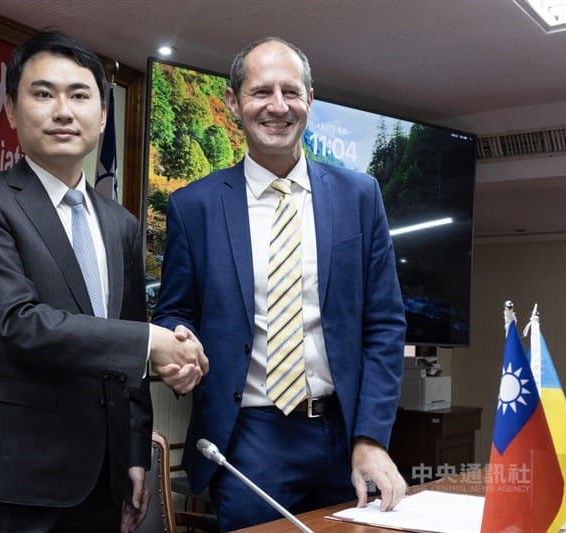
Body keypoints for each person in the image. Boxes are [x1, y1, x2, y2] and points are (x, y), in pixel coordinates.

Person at [0, 30, 206, 533]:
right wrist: (151, 342)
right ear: (11, 109)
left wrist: (135, 453)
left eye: (80, 95)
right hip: (12, 484)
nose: (63, 111)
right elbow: (18, 324)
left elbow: (127, 357)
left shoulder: (121, 224)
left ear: (103, 116)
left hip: (104, 483)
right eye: (43, 94)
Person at [152, 36, 407, 531]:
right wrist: (178, 349)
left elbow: (385, 323)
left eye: (291, 92)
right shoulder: (194, 206)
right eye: (261, 92)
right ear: (233, 102)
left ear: (310, 100)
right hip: (250, 438)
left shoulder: (360, 197)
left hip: (345, 435)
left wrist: (371, 437)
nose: (278, 106)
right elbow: (175, 311)